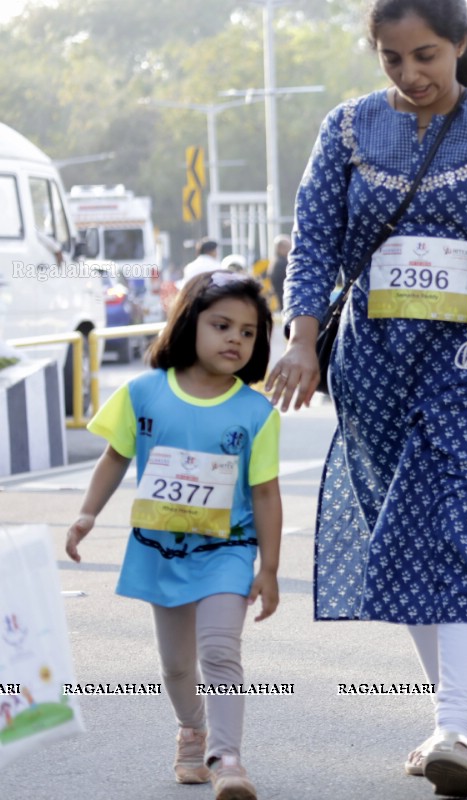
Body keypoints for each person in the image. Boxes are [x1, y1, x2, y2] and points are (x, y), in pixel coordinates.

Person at [267, 2, 467, 797]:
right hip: (374, 368)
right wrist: (302, 340)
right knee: (400, 536)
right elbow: (314, 243)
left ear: (463, 46)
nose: (410, 75)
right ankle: (462, 719)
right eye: (391, 59)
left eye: (426, 55)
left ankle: (452, 723)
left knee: (463, 535)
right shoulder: (345, 129)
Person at [65, 270, 281, 800]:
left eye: (248, 332)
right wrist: (88, 514)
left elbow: (267, 494)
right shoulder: (143, 393)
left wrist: (269, 568)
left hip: (227, 552)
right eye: (222, 325)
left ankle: (227, 758)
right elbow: (115, 455)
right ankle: (192, 729)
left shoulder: (256, 412)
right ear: (189, 324)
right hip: (160, 552)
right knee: (177, 664)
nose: (235, 338)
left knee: (219, 652)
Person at [268, 234, 291, 311]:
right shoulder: (281, 264)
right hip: (286, 301)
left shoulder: (276, 262)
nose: (291, 249)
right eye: (288, 247)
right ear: (280, 248)